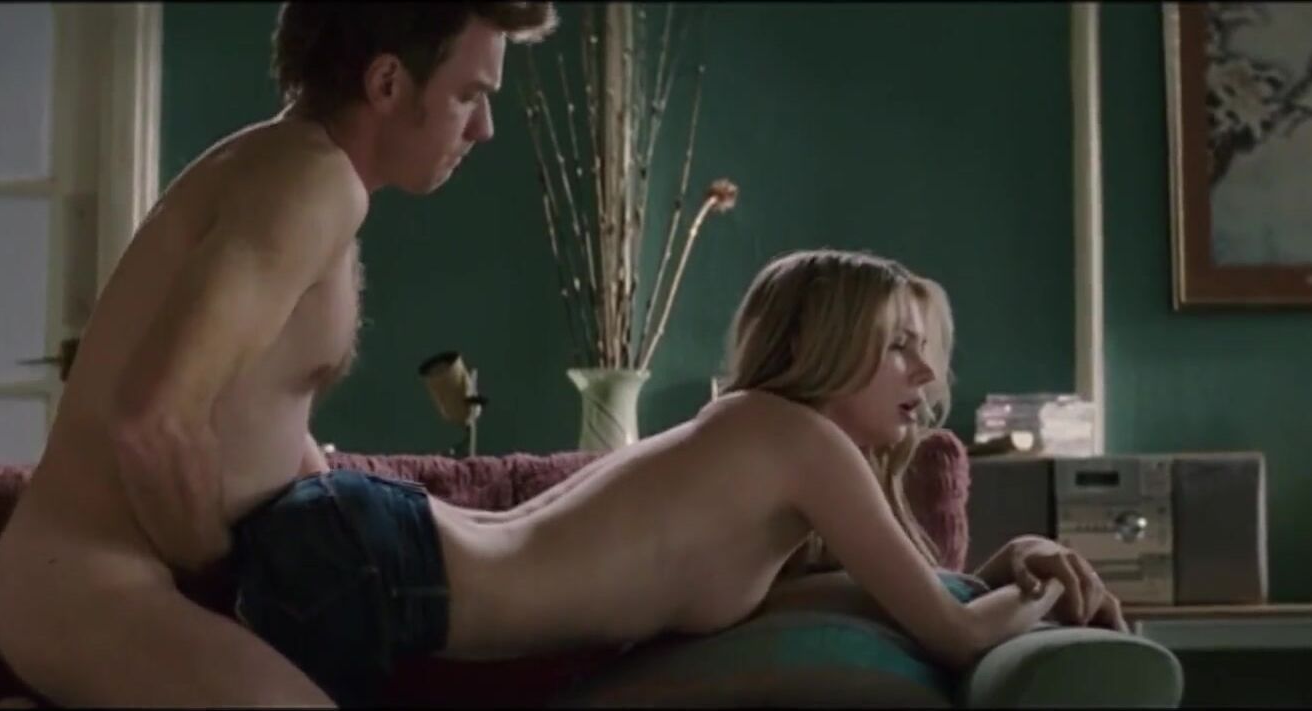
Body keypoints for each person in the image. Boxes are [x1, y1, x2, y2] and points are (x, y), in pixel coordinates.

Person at [224, 248, 1128, 706]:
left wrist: (1006, 566)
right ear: (826, 346)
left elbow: (864, 601)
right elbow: (955, 636)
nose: (925, 376)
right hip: (385, 572)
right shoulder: (800, 441)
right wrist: (1048, 587)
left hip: (376, 547)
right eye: (899, 347)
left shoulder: (759, 445)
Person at [0, 3, 560, 707]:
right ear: (386, 83)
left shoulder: (297, 166)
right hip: (89, 580)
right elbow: (151, 420)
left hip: (103, 577)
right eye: (469, 95)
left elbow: (253, 404)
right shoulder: (309, 184)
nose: (483, 128)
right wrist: (220, 573)